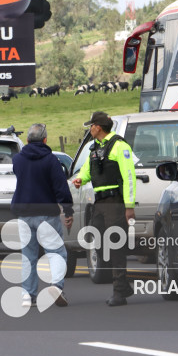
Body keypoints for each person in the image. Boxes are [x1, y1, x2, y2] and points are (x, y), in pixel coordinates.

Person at [72, 111, 136, 307]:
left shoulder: (119, 146)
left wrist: (129, 206)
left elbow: (129, 177)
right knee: (96, 241)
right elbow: (88, 170)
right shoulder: (95, 148)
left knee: (116, 245)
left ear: (98, 127)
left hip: (115, 202)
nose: (90, 128)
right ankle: (124, 285)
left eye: (91, 125)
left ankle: (119, 291)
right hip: (99, 204)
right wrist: (80, 178)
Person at [11, 123, 73, 308]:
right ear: (45, 139)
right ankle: (56, 288)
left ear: (28, 140)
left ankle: (28, 295)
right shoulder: (51, 160)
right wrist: (68, 210)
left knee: (28, 255)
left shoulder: (18, 160)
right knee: (56, 253)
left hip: (24, 213)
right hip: (46, 214)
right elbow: (61, 188)